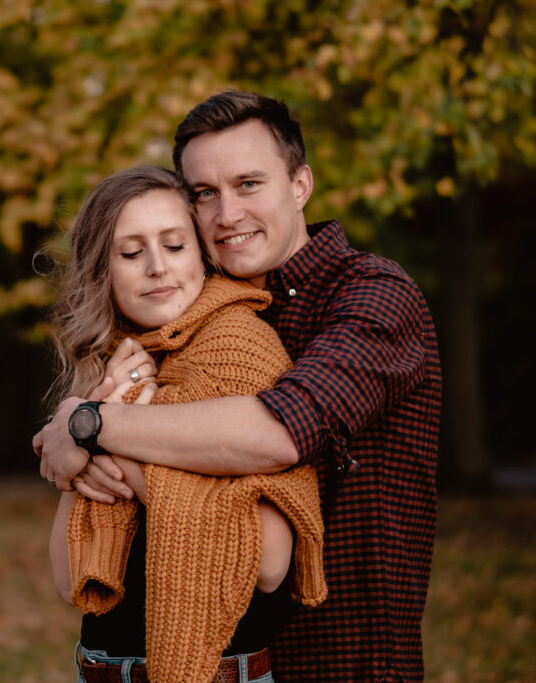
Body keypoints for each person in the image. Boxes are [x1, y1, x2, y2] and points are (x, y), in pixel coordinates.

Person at [35, 91, 441, 682]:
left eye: (249, 183)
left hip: (342, 662)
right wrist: (83, 427)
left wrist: (90, 425)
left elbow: (278, 432)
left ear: (300, 185)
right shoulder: (198, 321)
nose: (226, 214)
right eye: (205, 192)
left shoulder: (373, 297)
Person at [44, 165, 326, 683]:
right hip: (99, 670)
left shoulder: (241, 351)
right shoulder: (118, 370)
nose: (157, 267)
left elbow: (268, 562)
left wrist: (110, 444)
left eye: (174, 246)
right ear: (101, 271)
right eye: (130, 253)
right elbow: (70, 581)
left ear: (202, 254)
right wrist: (81, 448)